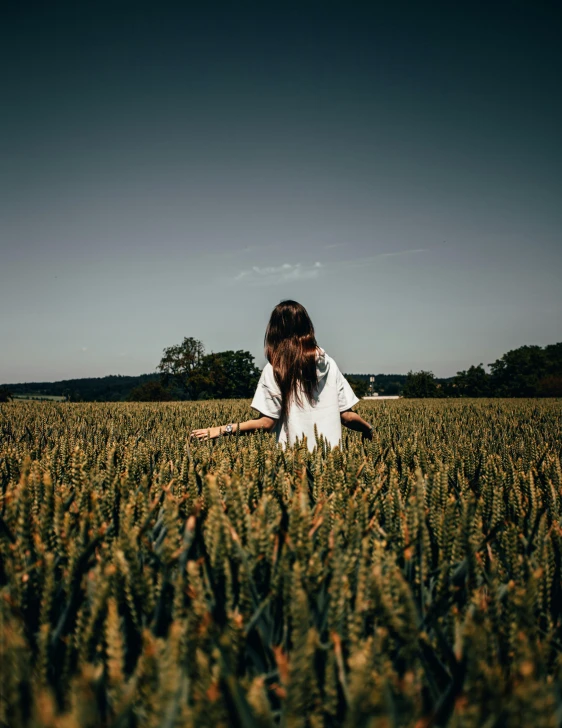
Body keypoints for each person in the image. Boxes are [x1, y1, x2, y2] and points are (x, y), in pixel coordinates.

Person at [190, 300, 374, 450]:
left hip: (294, 466)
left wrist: (222, 429)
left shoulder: (275, 369)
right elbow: (347, 416)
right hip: (334, 463)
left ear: (274, 331)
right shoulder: (329, 364)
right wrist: (368, 429)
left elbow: (266, 423)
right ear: (307, 327)